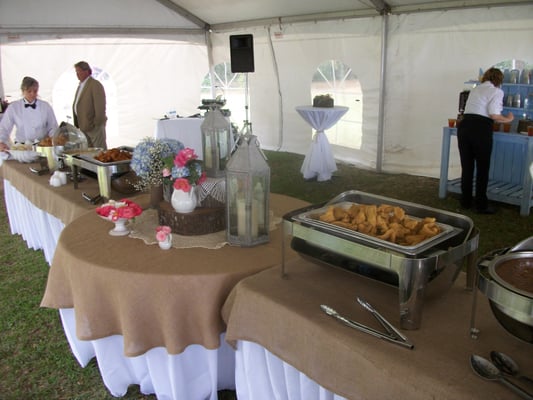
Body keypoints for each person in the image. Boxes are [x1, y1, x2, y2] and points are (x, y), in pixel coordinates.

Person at [457, 67, 514, 214]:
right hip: (480, 129)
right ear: (499, 80)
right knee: (482, 168)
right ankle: (481, 205)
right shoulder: (497, 91)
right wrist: (508, 120)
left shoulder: (476, 89)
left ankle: (466, 201)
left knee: (467, 167)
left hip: (464, 126)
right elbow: (494, 115)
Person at [0, 76, 58, 152]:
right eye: (29, 91)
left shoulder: (45, 106)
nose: (32, 94)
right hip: (22, 148)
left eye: (35, 91)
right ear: (23, 91)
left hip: (43, 147)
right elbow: (4, 127)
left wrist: (54, 140)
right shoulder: (14, 107)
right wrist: (1, 141)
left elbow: (53, 126)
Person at [72, 61, 107, 149]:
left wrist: (96, 124)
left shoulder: (95, 85)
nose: (77, 74)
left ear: (86, 71)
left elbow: (100, 106)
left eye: (79, 71)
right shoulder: (81, 85)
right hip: (83, 126)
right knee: (89, 152)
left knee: (99, 151)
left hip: (94, 127)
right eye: (76, 72)